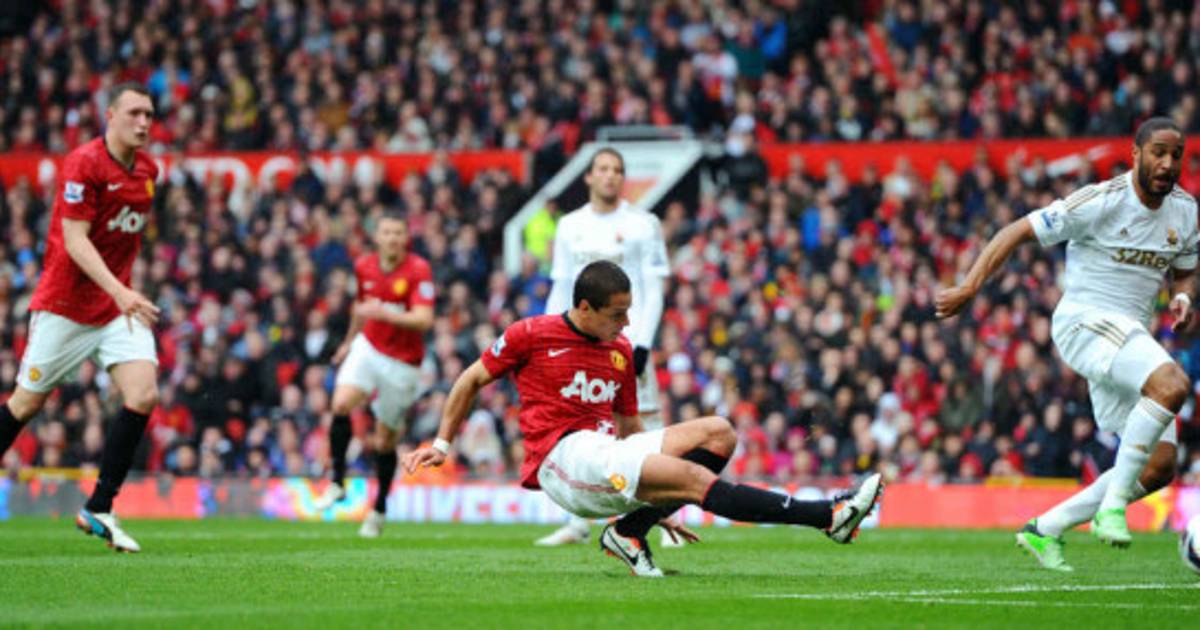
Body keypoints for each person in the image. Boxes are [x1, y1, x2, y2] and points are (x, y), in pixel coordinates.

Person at [403, 261, 882, 577]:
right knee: (693, 480)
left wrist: (656, 501)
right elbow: (469, 380)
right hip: (561, 459)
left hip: (607, 453)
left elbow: (632, 432)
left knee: (719, 433)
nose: (627, 324)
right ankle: (829, 517)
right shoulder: (531, 334)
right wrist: (442, 445)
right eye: (617, 314)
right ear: (584, 308)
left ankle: (629, 531)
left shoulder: (619, 351)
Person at [936, 117, 1196, 571]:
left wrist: (1184, 296)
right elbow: (1016, 230)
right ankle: (1112, 508)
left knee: (1158, 467)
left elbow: (1187, 269)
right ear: (1136, 154)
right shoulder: (1100, 201)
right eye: (1158, 152)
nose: (1167, 163)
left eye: (1176, 155)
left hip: (1127, 339)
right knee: (1172, 384)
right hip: (1085, 323)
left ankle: (1045, 528)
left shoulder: (1185, 210)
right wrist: (970, 286)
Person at [0, 83, 162, 552]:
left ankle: (100, 507)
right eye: (134, 113)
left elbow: (123, 240)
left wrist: (121, 292)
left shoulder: (149, 172)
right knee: (25, 405)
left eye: (149, 114)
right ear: (109, 116)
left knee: (143, 393)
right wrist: (121, 289)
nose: (143, 123)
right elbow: (75, 240)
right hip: (66, 307)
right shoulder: (83, 163)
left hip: (114, 309)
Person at [536, 147, 673, 547]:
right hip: (580, 343)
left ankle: (660, 517)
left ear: (622, 178)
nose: (610, 175)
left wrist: (642, 342)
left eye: (617, 170)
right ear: (589, 176)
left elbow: (653, 289)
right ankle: (577, 522)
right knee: (579, 424)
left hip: (628, 340)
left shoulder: (644, 224)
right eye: (603, 168)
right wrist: (549, 337)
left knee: (645, 426)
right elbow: (562, 286)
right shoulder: (570, 226)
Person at [312, 212, 434, 538]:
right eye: (387, 232)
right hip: (369, 346)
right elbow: (361, 308)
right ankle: (337, 481)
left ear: (406, 238)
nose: (392, 238)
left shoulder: (418, 269)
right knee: (340, 404)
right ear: (377, 237)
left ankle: (379, 508)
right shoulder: (364, 265)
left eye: (398, 232)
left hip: (403, 363)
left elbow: (424, 319)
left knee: (384, 440)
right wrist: (348, 342)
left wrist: (383, 313)